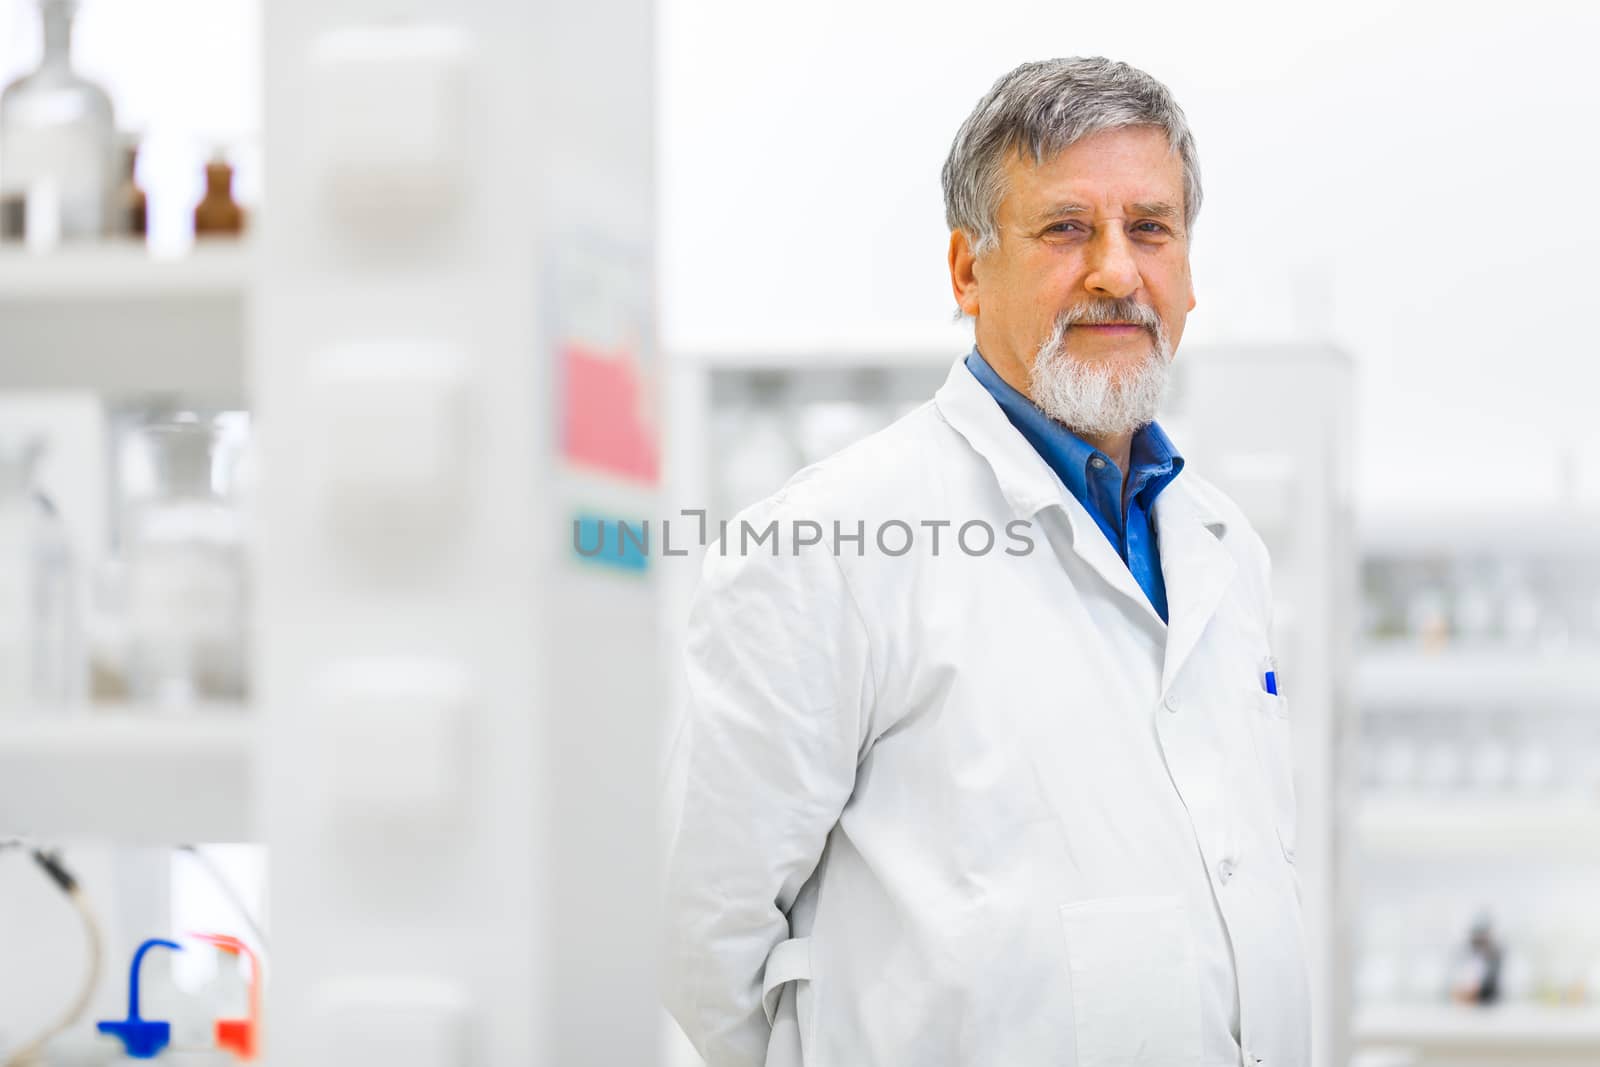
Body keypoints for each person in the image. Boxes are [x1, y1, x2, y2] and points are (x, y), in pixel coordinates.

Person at [662, 56, 1311, 1067]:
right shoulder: (828, 541)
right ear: (969, 269)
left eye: (1149, 227)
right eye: (1066, 228)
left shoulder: (1224, 545)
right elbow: (700, 929)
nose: (1115, 271)